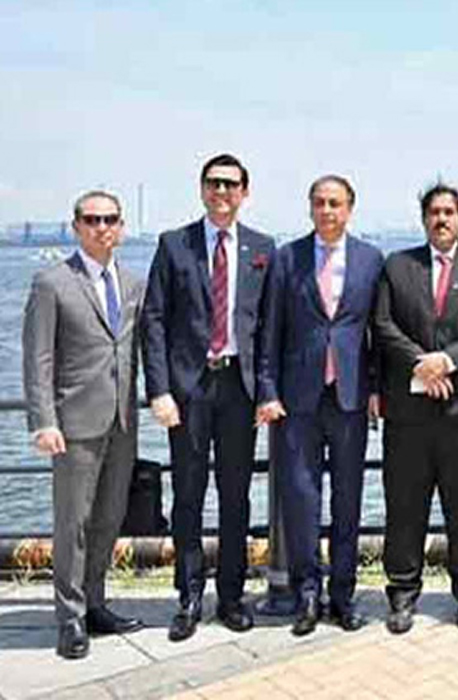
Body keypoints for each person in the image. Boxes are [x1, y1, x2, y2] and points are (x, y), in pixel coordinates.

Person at [141, 154, 276, 641]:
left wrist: (267, 392)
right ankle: (189, 596)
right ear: (201, 189)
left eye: (230, 184)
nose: (222, 192)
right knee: (188, 496)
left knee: (236, 496)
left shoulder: (263, 248)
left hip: (240, 390)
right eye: (214, 183)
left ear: (245, 192)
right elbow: (154, 320)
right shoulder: (174, 244)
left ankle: (232, 596)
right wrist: (159, 390)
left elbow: (268, 327)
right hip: (189, 390)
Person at [255, 175, 383, 636]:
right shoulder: (286, 258)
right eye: (320, 203)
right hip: (296, 401)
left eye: (336, 203)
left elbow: (378, 332)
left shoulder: (370, 259)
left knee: (348, 501)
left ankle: (343, 595)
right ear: (310, 208)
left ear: (350, 209)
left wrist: (377, 388)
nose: (327, 211)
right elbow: (269, 330)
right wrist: (267, 391)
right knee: (301, 498)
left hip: (350, 399)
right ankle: (306, 593)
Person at [374, 182, 458, 633]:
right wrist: (420, 363)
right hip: (407, 414)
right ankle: (402, 592)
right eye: (434, 212)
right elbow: (383, 324)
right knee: (404, 507)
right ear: (424, 219)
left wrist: (446, 361)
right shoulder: (397, 266)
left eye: (449, 212)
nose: (442, 219)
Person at [23, 191, 145, 659]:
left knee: (109, 518)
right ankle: (70, 618)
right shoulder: (52, 283)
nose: (101, 227)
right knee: (72, 523)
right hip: (73, 424)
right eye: (91, 220)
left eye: (110, 219)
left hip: (122, 422)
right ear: (76, 227)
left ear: (121, 227)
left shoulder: (132, 284)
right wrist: (43, 421)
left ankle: (95, 603)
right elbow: (38, 358)